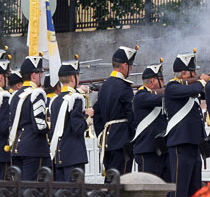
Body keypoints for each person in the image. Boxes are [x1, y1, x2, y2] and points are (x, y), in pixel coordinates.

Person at [164, 51, 210, 197]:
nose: (196, 75)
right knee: (179, 188)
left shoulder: (191, 88)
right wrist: (202, 82)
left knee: (194, 188)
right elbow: (195, 89)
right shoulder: (172, 87)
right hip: (180, 144)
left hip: (194, 144)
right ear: (184, 73)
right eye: (193, 72)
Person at [93, 46, 137, 177]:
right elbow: (132, 116)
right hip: (122, 141)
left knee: (110, 180)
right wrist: (132, 138)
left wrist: (102, 134)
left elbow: (97, 115)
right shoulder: (125, 87)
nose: (131, 69)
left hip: (108, 141)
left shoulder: (103, 87)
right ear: (124, 66)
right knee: (121, 181)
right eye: (130, 65)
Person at [49, 57, 92, 181]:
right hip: (74, 156)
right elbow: (77, 128)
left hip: (59, 155)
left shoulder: (55, 100)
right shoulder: (76, 98)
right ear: (73, 78)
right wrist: (88, 116)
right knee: (74, 196)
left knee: (61, 196)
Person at [7, 55, 49, 181]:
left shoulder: (15, 95)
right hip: (34, 149)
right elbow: (40, 125)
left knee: (21, 189)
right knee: (33, 191)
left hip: (17, 148)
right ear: (33, 75)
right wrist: (52, 126)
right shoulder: (37, 94)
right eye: (40, 73)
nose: (41, 77)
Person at [132, 59, 169, 182]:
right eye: (161, 79)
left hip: (161, 150)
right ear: (153, 81)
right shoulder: (141, 96)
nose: (164, 82)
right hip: (147, 151)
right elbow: (158, 99)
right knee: (147, 188)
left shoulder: (153, 95)